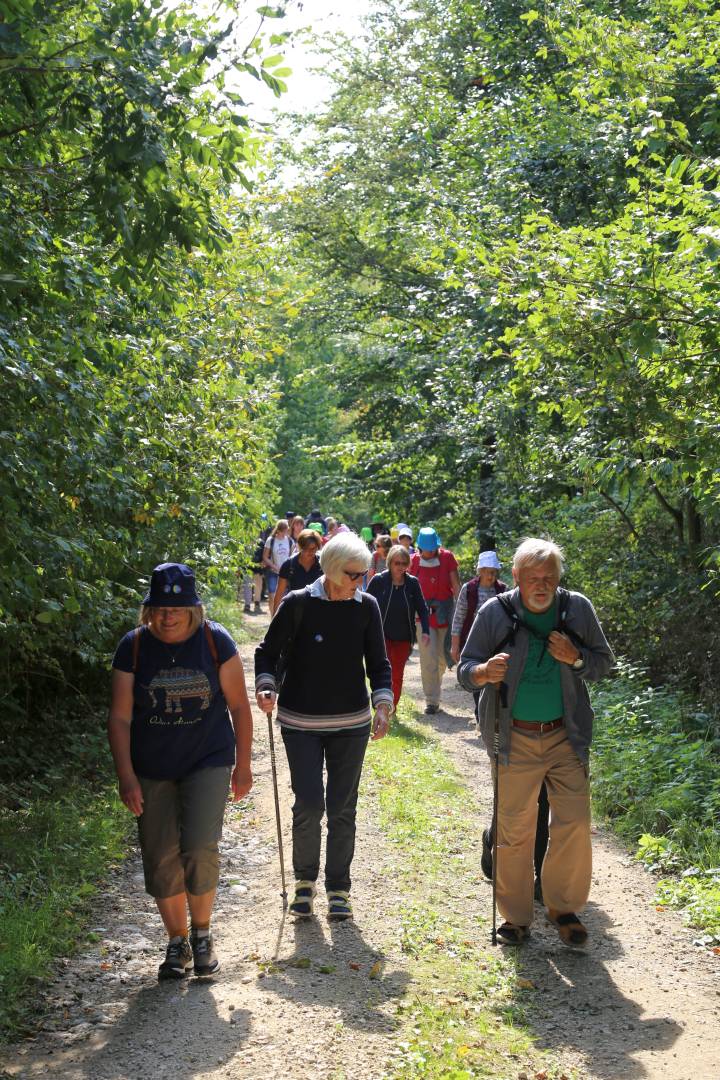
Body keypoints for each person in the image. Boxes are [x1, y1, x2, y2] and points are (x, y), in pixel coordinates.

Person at [457, 538, 614, 947]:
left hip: (566, 734)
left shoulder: (575, 608)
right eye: (532, 578)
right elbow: (465, 667)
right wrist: (483, 673)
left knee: (575, 821)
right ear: (517, 578)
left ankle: (563, 907)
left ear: (559, 578)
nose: (541, 585)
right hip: (514, 736)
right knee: (514, 830)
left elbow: (602, 663)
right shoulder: (496, 612)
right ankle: (516, 918)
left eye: (549, 577)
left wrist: (576, 658)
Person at [108, 562, 253, 980]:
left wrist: (242, 766)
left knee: (200, 845)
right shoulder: (133, 647)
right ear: (148, 610)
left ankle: (203, 934)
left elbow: (239, 706)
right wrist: (126, 776)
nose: (167, 615)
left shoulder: (214, 641)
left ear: (194, 609)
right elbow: (119, 718)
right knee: (159, 855)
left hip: (207, 757)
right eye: (159, 607)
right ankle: (177, 942)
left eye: (177, 607)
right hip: (152, 765)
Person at [254, 533, 393, 921]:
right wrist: (266, 686)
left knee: (343, 807)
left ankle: (339, 889)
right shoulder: (298, 604)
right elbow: (267, 652)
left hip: (352, 723)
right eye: (352, 575)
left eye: (364, 574)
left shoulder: (367, 607)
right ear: (331, 571)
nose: (360, 582)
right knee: (310, 803)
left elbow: (379, 664)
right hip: (301, 722)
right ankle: (304, 883)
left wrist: (383, 703)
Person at [367, 544, 430, 707]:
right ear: (390, 563)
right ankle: (382, 704)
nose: (400, 567)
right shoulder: (379, 581)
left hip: (404, 636)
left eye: (404, 563)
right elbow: (366, 605)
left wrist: (426, 631)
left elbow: (422, 608)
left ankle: (391, 707)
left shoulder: (412, 584)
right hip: (381, 635)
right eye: (397, 563)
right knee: (384, 672)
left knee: (397, 673)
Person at [409, 527, 460, 714]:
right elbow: (409, 587)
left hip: (445, 612)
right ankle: (432, 700)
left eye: (432, 549)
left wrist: (460, 611)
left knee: (441, 658)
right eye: (426, 549)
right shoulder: (414, 561)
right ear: (420, 548)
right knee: (428, 657)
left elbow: (456, 585)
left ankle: (434, 687)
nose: (429, 553)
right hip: (422, 616)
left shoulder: (447, 558)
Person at [272, 528, 322, 612]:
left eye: (313, 549)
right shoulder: (289, 565)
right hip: (294, 611)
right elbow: (279, 593)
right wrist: (275, 619)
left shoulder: (323, 564)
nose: (310, 552)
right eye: (306, 549)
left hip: (317, 611)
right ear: (300, 547)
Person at [263, 519, 293, 615]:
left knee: (282, 597)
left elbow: (292, 556)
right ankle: (273, 616)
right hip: (273, 572)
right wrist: (274, 566)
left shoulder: (289, 541)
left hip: (285, 574)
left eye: (286, 530)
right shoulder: (270, 540)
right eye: (283, 531)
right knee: (272, 595)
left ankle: (278, 617)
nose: (285, 533)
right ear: (278, 530)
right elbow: (265, 557)